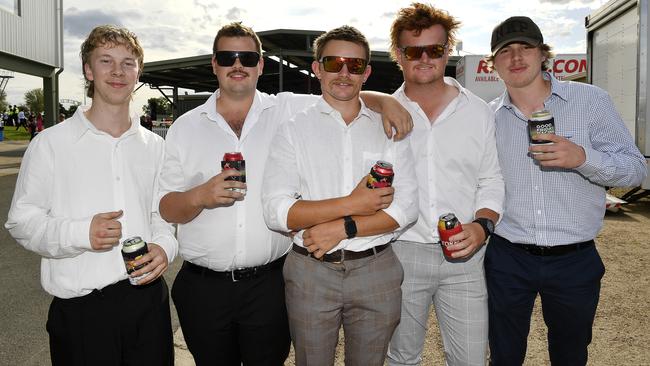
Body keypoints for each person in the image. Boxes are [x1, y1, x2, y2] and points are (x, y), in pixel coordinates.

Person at [157, 22, 412, 366]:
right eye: (228, 57)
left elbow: (340, 90)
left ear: (260, 65)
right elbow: (167, 208)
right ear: (214, 63)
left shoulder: (285, 109)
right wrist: (199, 196)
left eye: (247, 57)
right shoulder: (184, 128)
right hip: (204, 285)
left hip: (267, 283)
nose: (238, 65)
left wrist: (385, 101)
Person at [5, 25, 177, 366]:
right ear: (88, 69)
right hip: (83, 312)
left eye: (128, 62)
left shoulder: (156, 147)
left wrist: (164, 248)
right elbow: (21, 220)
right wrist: (80, 233)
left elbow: (163, 216)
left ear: (138, 72)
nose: (117, 71)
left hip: (148, 304)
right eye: (106, 60)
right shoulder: (51, 144)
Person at [484, 16, 647, 365]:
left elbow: (636, 169)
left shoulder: (590, 101)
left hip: (574, 259)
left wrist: (583, 157)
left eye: (525, 47)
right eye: (505, 51)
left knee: (571, 355)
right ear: (493, 63)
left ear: (543, 53)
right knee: (504, 354)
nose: (516, 57)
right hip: (507, 257)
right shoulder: (488, 118)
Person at [262, 25, 418, 366]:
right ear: (317, 68)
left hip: (376, 267)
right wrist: (354, 204)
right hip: (310, 270)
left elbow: (407, 207)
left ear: (367, 72)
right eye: (334, 63)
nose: (344, 73)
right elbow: (277, 211)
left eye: (355, 65)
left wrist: (343, 227)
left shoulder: (387, 126)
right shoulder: (293, 129)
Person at [384, 4, 504, 365]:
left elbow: (491, 179)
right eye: (413, 51)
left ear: (448, 50)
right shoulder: (381, 112)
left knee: (469, 359)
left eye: (434, 50)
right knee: (402, 358)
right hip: (402, 251)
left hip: (466, 257)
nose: (424, 59)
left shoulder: (478, 111)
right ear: (399, 56)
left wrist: (482, 227)